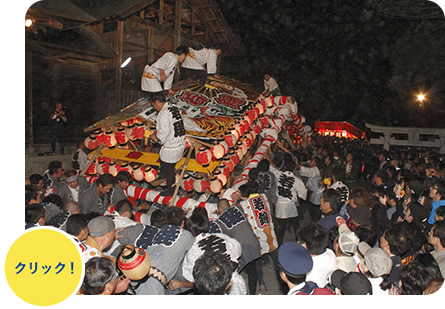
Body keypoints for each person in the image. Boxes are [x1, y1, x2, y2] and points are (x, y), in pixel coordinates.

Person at [148, 92, 186, 196]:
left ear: (157, 102)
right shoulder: (173, 107)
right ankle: (161, 177)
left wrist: (154, 137)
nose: (154, 107)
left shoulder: (163, 114)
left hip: (172, 147)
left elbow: (162, 136)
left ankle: (170, 190)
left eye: (153, 105)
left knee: (170, 169)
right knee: (164, 162)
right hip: (180, 143)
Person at [297, 223, 337, 288]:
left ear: (305, 246)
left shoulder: (307, 270)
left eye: (300, 241)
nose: (298, 242)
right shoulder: (330, 253)